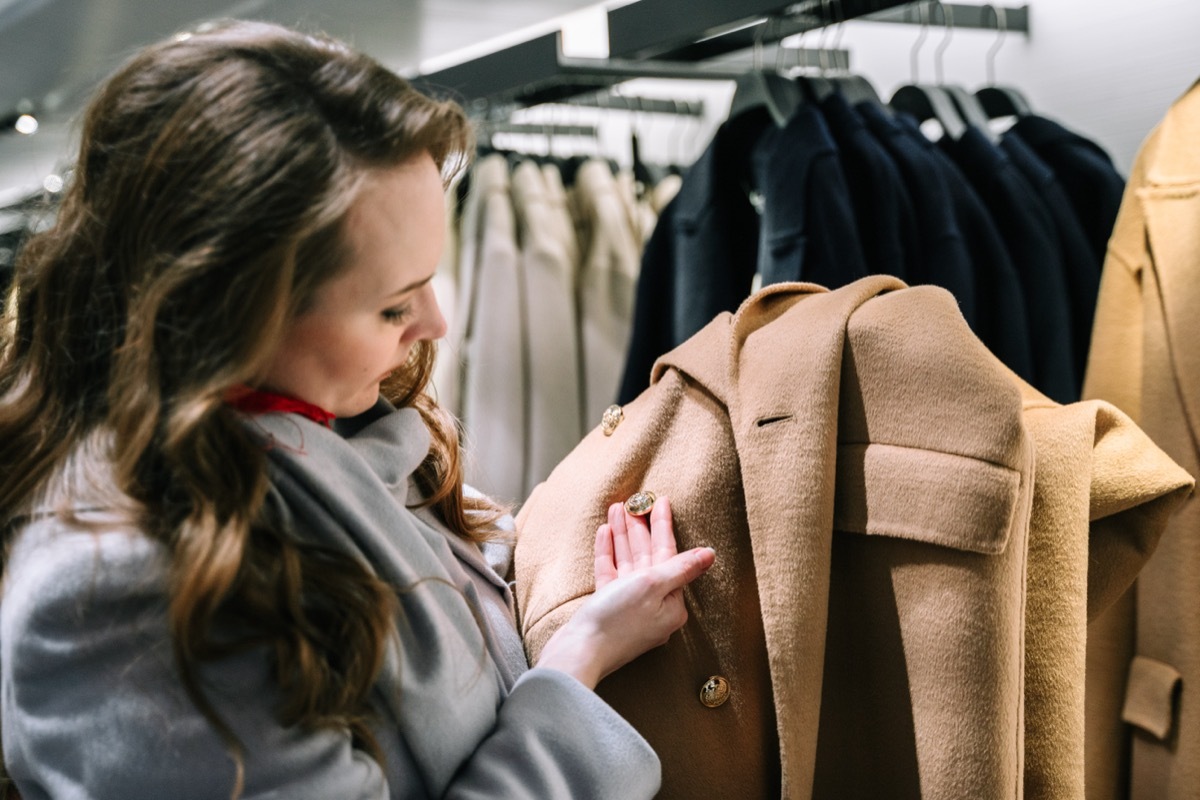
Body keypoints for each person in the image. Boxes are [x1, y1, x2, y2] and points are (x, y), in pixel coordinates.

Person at [0, 20, 715, 800]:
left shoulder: (324, 436)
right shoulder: (123, 595)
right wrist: (578, 659)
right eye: (392, 307)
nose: (436, 325)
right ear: (227, 308)